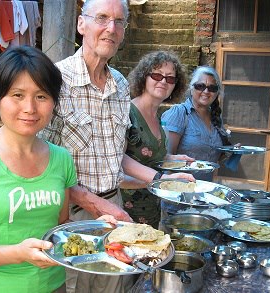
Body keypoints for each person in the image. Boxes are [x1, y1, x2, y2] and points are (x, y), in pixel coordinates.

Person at [38, 0, 196, 291]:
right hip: (72, 216)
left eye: (119, 21)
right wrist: (91, 202)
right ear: (81, 24)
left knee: (114, 287)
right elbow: (40, 166)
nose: (111, 28)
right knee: (76, 287)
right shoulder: (54, 81)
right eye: (102, 18)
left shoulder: (121, 85)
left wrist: (162, 180)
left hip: (114, 206)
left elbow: (117, 155)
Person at [0, 46, 117, 293]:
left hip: (53, 286)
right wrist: (18, 253)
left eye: (41, 96)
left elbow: (60, 228)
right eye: (17, 95)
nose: (30, 108)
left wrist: (93, 231)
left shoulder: (61, 158)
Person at [121, 51, 195, 229]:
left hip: (152, 207)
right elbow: (119, 159)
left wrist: (175, 160)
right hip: (126, 209)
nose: (163, 81)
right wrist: (162, 179)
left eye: (170, 79)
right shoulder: (127, 112)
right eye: (157, 75)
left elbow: (149, 154)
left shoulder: (157, 116)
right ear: (143, 77)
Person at [160, 65, 236, 218]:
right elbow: (165, 159)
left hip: (205, 197)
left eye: (212, 88)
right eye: (200, 86)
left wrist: (231, 151)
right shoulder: (179, 113)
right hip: (179, 200)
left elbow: (212, 157)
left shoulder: (216, 118)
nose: (206, 91)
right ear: (191, 87)